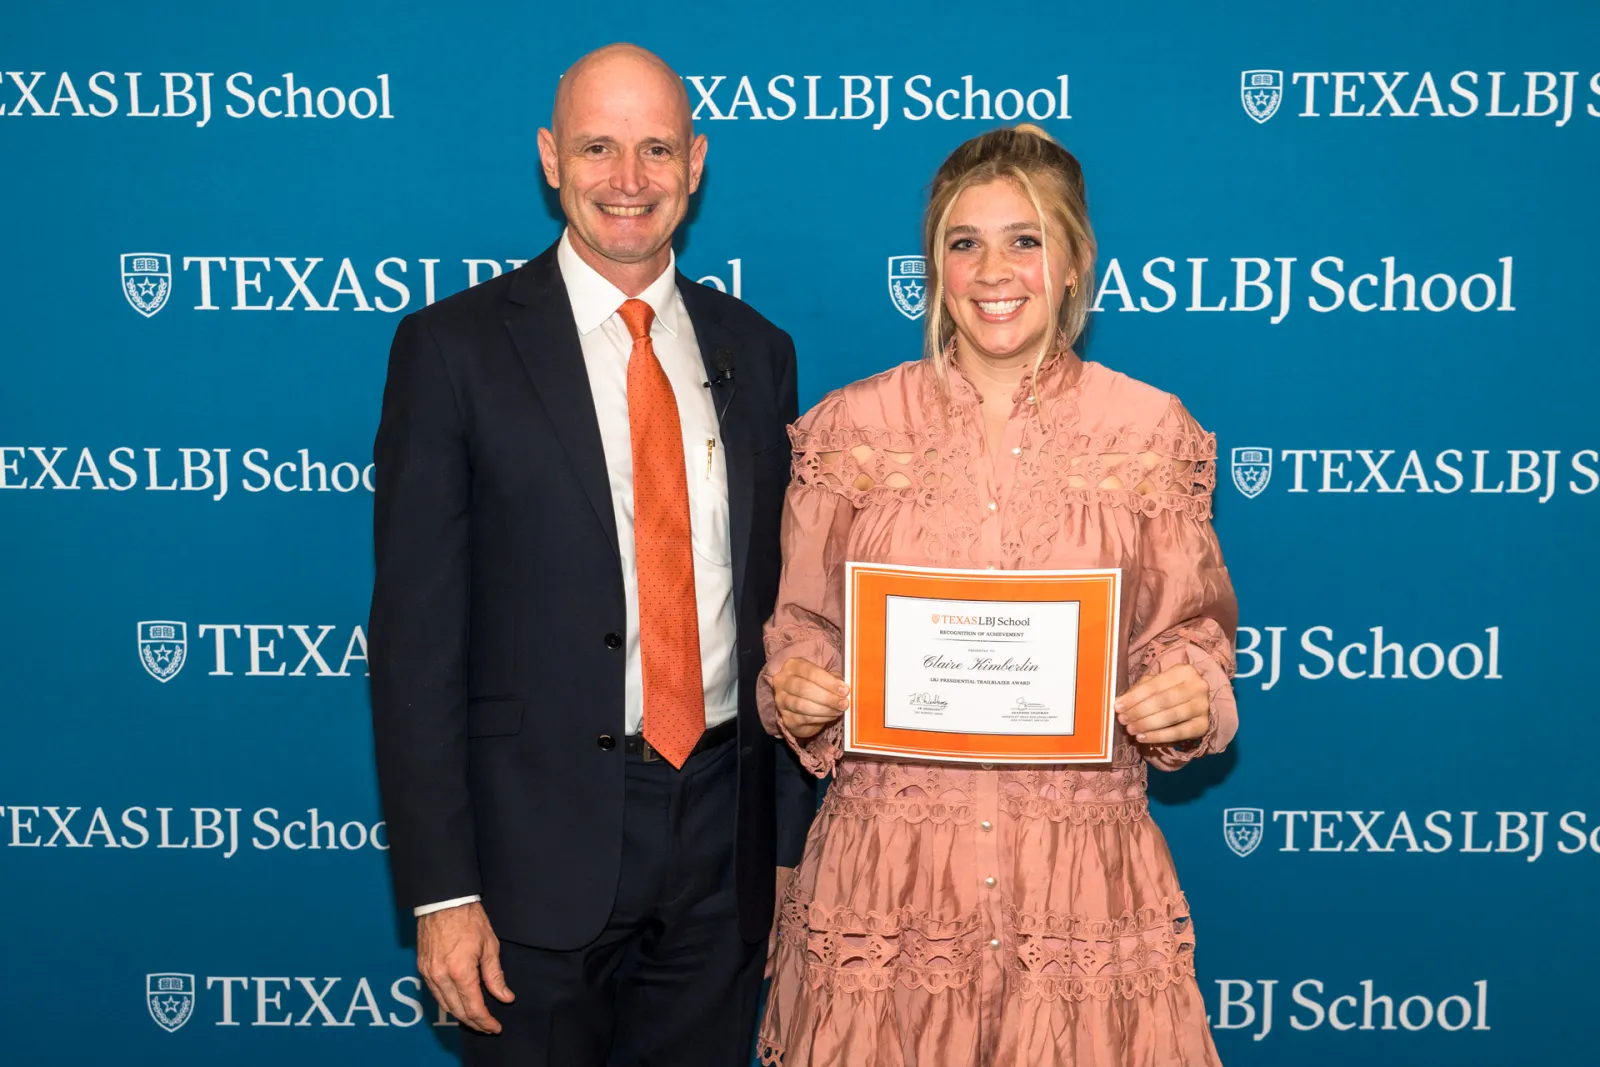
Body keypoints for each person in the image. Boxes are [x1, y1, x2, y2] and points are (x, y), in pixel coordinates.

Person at [368, 42, 816, 1067]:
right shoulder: (452, 349)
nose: (629, 179)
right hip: (531, 853)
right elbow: (415, 641)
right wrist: (444, 889)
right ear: (549, 158)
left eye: (656, 148)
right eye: (598, 147)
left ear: (696, 162)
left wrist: (788, 850)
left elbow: (787, 618)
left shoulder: (760, 349)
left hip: (721, 849)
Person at [757, 125, 1238, 1066]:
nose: (993, 269)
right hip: (887, 896)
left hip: (1079, 891)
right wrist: (801, 685)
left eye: (1025, 239)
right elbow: (802, 631)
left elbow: (1190, 641)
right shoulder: (849, 430)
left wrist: (1187, 694)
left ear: (1072, 265)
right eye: (963, 242)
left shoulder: (1150, 432)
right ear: (932, 264)